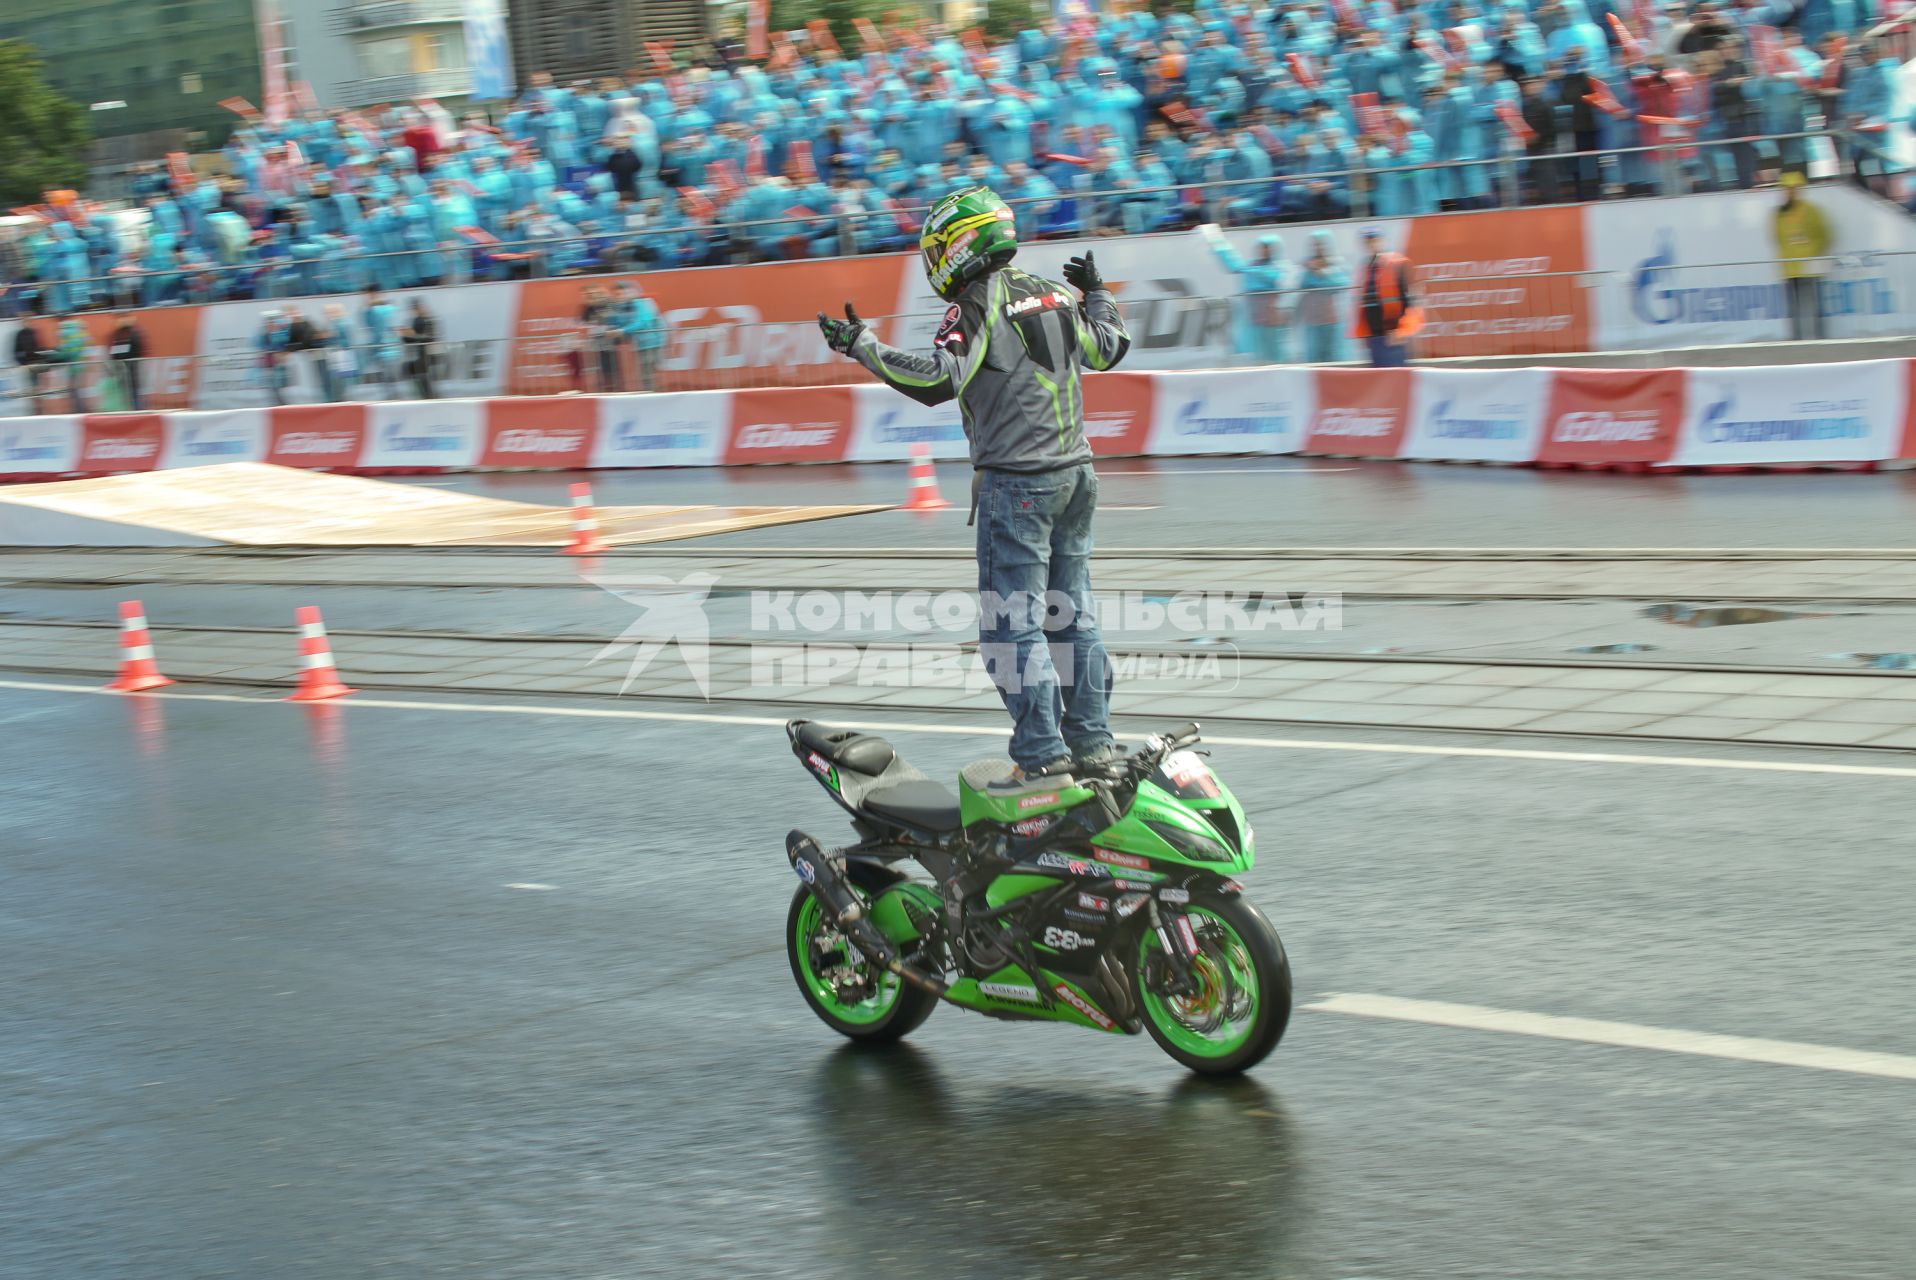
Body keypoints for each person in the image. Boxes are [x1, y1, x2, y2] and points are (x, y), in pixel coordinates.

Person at [817, 186, 1130, 790]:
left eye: (937, 249)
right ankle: (1092, 744)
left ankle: (1041, 753)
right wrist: (1098, 292)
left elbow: (939, 378)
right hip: (1078, 476)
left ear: (960, 246)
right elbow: (1108, 346)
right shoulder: (1059, 293)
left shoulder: (975, 304)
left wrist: (864, 346)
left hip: (1018, 484)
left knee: (1013, 626)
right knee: (1075, 617)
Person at [1202, 225, 1290, 364]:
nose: (1264, 250)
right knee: (1256, 357)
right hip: (1254, 319)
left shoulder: (1279, 267)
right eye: (1262, 247)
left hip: (1272, 320)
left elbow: (1275, 277)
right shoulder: (1252, 266)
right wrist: (1216, 240)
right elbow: (1234, 265)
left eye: (1267, 247)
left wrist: (1251, 270)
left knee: (1275, 357)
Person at [1353, 226, 1421, 368]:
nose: (1371, 244)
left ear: (1381, 241)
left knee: (1396, 380)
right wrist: (1364, 335)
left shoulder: (1397, 263)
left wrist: (1403, 331)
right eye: (1367, 241)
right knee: (1380, 381)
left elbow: (1413, 301)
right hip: (1374, 338)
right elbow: (1363, 303)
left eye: (1374, 240)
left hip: (1394, 337)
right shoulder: (1365, 268)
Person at [1773, 174, 1831, 340]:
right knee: (1794, 308)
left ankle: (1820, 339)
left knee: (1814, 305)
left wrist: (1812, 251)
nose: (1790, 193)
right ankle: (1796, 341)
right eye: (1787, 189)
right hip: (1790, 267)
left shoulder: (1811, 211)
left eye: (1793, 189)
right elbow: (1777, 237)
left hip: (1809, 265)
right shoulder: (1779, 214)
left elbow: (1824, 235)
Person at [1296, 231, 1350, 364]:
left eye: (1320, 244)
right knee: (1314, 361)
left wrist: (1321, 272)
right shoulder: (1306, 267)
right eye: (1314, 245)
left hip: (1332, 321)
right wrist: (1310, 270)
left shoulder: (1337, 264)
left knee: (1334, 359)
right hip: (1313, 322)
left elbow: (1340, 284)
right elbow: (1301, 285)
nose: (1317, 248)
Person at [619, 281, 666, 392]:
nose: (624, 295)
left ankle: (652, 397)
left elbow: (643, 322)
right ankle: (651, 396)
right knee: (646, 375)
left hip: (651, 343)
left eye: (627, 292)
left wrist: (622, 330)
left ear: (637, 292)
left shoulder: (644, 303)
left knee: (647, 375)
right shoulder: (630, 306)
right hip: (643, 344)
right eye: (621, 293)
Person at [361, 288, 402, 399]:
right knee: (394, 379)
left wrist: (372, 348)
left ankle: (392, 400)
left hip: (383, 350)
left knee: (387, 380)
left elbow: (376, 332)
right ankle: (396, 399)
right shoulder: (392, 310)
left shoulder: (374, 312)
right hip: (394, 348)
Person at [107, 314, 146, 411]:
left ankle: (134, 411)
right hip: (131, 368)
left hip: (125, 369)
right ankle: (137, 410)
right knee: (134, 392)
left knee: (130, 393)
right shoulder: (135, 334)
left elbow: (116, 354)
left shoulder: (122, 337)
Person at [403, 298, 439, 399]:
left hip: (430, 353)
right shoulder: (416, 320)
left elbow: (430, 337)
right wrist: (405, 336)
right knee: (409, 369)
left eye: (416, 308)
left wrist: (411, 335)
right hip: (421, 354)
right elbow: (412, 338)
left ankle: (428, 395)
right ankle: (424, 394)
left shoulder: (428, 320)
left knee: (419, 372)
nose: (415, 311)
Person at [12, 315, 47, 414]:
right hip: (27, 365)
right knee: (31, 387)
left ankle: (39, 408)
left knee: (37, 387)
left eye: (28, 321)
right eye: (25, 321)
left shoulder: (34, 332)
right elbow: (16, 351)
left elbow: (40, 348)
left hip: (36, 363)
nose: (27, 323)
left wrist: (41, 359)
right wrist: (22, 363)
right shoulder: (19, 334)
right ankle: (35, 409)